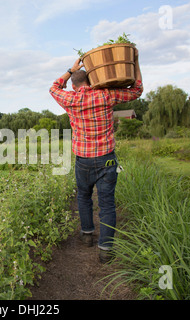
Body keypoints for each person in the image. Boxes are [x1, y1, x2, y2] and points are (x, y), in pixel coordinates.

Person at [49, 50, 143, 263]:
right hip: (107, 159)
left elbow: (54, 88)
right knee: (107, 203)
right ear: (92, 80)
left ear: (73, 85)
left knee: (83, 196)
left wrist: (71, 69)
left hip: (83, 160)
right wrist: (135, 61)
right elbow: (137, 90)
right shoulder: (106, 95)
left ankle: (88, 234)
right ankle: (106, 249)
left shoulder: (70, 99)